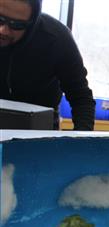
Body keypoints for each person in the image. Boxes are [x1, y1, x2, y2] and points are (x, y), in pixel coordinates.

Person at [0, 0, 95, 130]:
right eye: (0, 19)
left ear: (32, 22)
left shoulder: (57, 39)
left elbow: (82, 99)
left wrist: (81, 144)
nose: (3, 30)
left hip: (38, 131)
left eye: (17, 25)